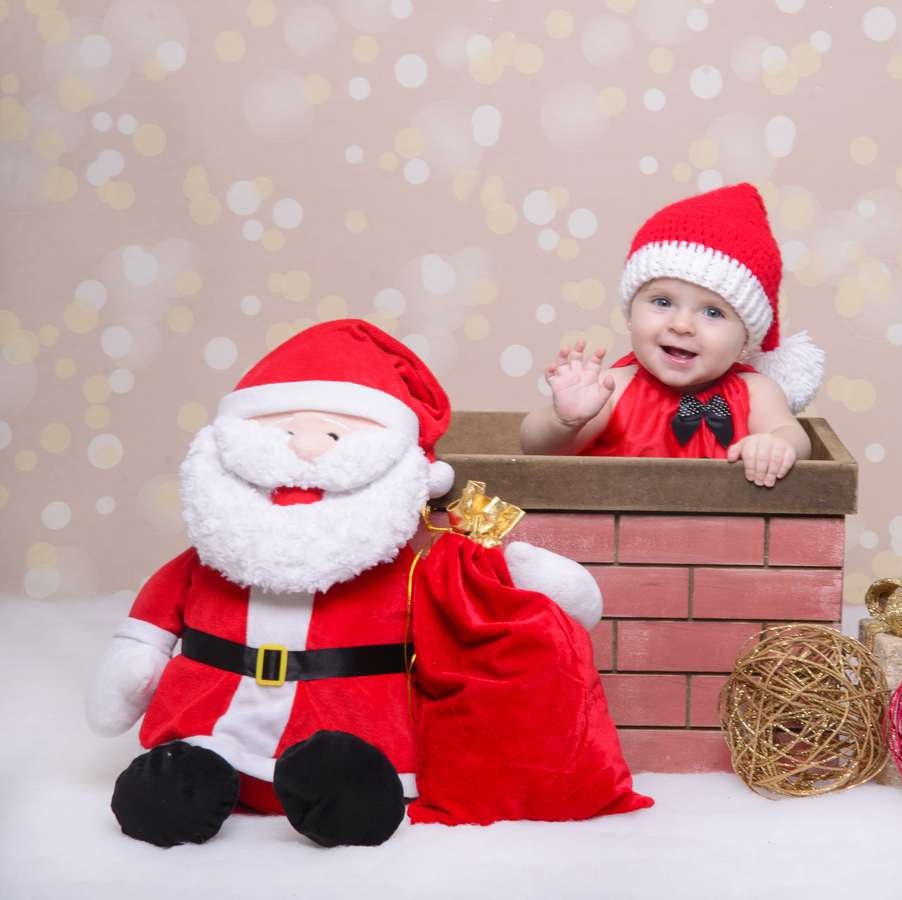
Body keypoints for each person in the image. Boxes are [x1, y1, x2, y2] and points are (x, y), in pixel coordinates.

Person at [85, 320, 648, 848]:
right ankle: (191, 776)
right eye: (284, 429)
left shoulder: (410, 566)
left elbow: (485, 582)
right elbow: (149, 631)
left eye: (333, 432)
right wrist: (134, 666)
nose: (305, 449)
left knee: (347, 785)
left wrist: (525, 572)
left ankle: (338, 784)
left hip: (354, 731)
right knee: (166, 796)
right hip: (209, 729)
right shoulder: (206, 560)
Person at [520, 183, 824, 487]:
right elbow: (539, 451)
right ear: (630, 314)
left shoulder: (756, 391)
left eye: (713, 312)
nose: (681, 325)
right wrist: (564, 421)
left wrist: (777, 445)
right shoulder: (611, 389)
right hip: (620, 530)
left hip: (722, 533)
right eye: (662, 302)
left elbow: (793, 435)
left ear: (745, 342)